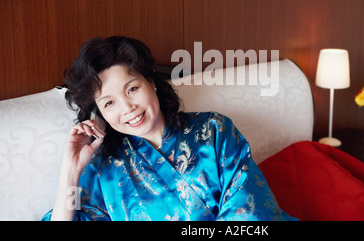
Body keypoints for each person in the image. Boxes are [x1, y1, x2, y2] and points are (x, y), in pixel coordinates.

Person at [42, 36, 297, 221]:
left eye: (132, 89)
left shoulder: (214, 130)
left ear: (151, 83)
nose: (128, 108)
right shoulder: (102, 171)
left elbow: (251, 211)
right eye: (109, 103)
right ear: (100, 114)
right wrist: (70, 169)